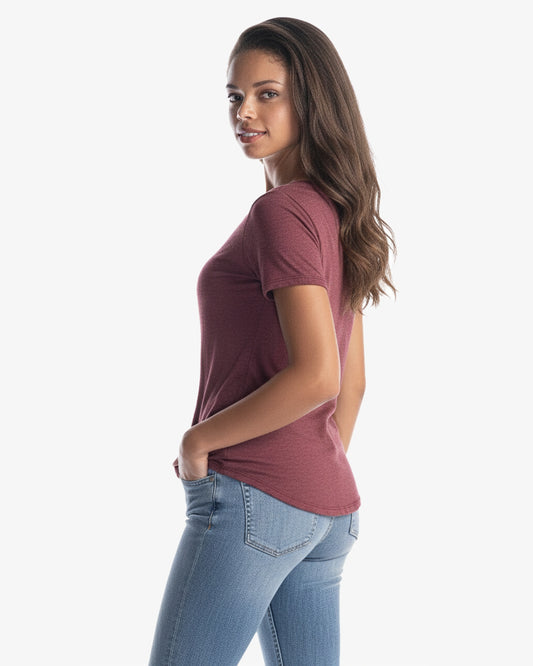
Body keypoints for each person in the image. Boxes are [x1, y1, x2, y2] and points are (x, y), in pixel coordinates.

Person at [148, 16, 396, 666]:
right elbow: (352, 381)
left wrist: (196, 441)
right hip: (327, 511)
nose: (244, 112)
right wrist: (308, 474)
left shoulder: (282, 212)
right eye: (235, 95)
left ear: (310, 101)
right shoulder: (336, 214)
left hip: (254, 497)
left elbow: (320, 376)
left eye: (267, 94)